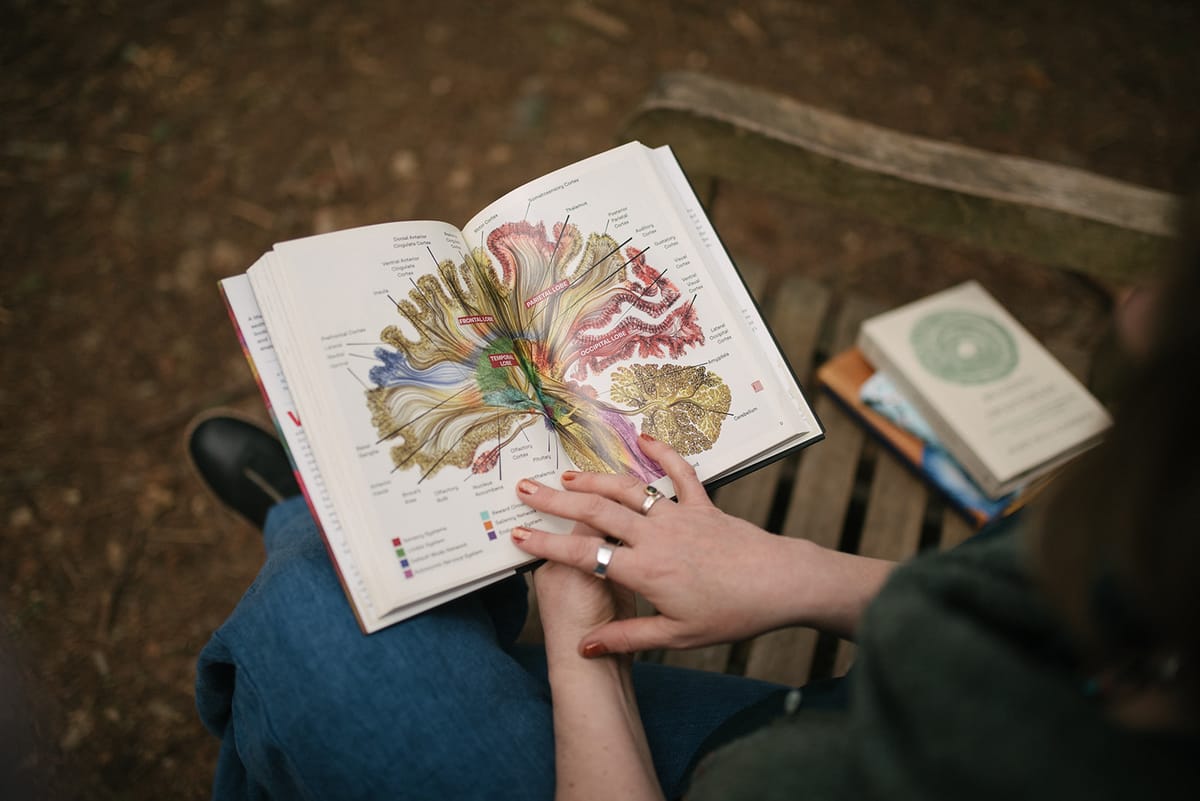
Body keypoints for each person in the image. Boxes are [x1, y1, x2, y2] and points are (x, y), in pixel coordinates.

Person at [192, 207, 1200, 799]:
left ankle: (316, 521)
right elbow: (1072, 621)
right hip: (813, 719)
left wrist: (585, 649)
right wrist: (804, 576)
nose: (1136, 303)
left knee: (310, 621)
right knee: (367, 611)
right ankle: (350, 533)